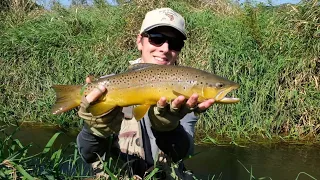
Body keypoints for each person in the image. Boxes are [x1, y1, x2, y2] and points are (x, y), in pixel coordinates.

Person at [76, 7, 215, 179]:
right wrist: (94, 129)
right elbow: (88, 155)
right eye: (157, 39)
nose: (165, 48)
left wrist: (168, 128)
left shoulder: (185, 95)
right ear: (139, 41)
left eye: (175, 43)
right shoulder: (106, 87)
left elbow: (180, 153)